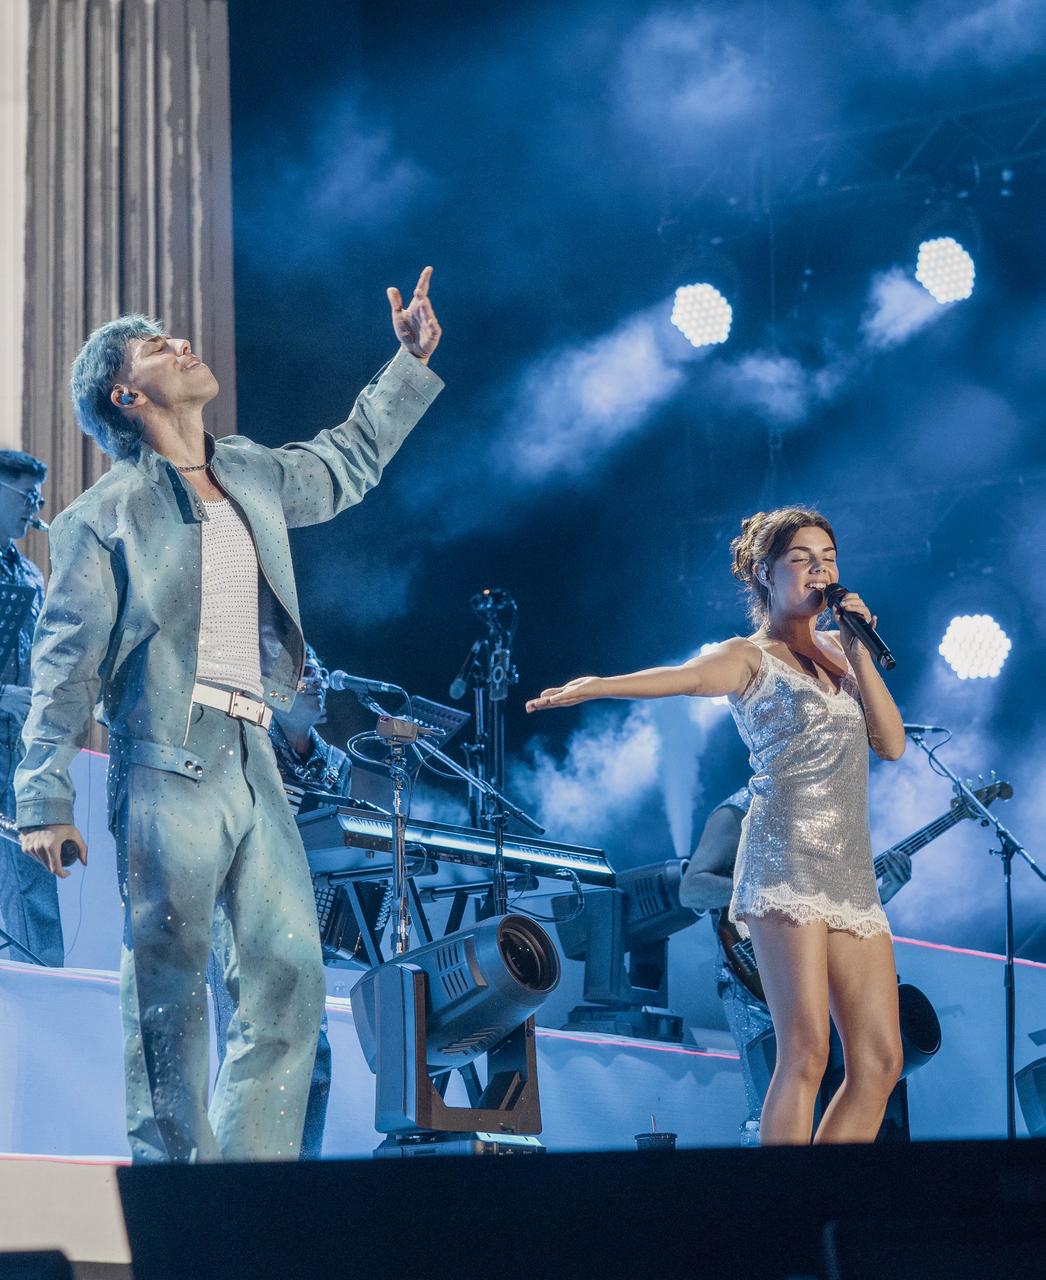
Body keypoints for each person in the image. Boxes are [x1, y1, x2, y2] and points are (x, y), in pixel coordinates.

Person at [16, 267, 443, 1162]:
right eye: (155, 347)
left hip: (255, 757)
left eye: (176, 334)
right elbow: (63, 667)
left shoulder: (246, 469)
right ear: (126, 396)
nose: (181, 343)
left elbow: (344, 463)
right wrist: (43, 799)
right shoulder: (103, 517)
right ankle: (180, 1201)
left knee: (289, 979)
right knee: (168, 995)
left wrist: (405, 366)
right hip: (166, 764)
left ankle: (252, 1198)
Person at [527, 506, 907, 1145]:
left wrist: (859, 652)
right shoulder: (748, 656)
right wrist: (597, 685)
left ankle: (828, 1197)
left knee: (879, 1061)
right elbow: (684, 679)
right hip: (784, 859)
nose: (820, 570)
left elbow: (891, 745)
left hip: (848, 866)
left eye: (829, 558)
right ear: (765, 572)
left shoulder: (846, 651)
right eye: (802, 558)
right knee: (807, 1049)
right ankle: (782, 1219)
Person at [680, 786, 913, 1140]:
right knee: (781, 1080)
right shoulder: (741, 807)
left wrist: (885, 891)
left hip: (813, 966)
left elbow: (824, 906)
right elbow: (691, 888)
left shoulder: (826, 814)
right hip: (750, 977)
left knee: (842, 1081)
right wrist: (772, 884)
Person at [206, 642, 348, 1159]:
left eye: (324, 672)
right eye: (308, 672)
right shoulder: (246, 741)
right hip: (242, 913)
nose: (321, 682)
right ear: (272, 682)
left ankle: (300, 1177)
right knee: (249, 1046)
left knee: (317, 1056)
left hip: (302, 918)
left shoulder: (336, 763)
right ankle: (239, 1187)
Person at [0, 450, 63, 966]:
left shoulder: (29, 572)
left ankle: (46, 987)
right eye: (25, 496)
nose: (34, 508)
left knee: (34, 870)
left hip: (18, 750)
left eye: (36, 499)